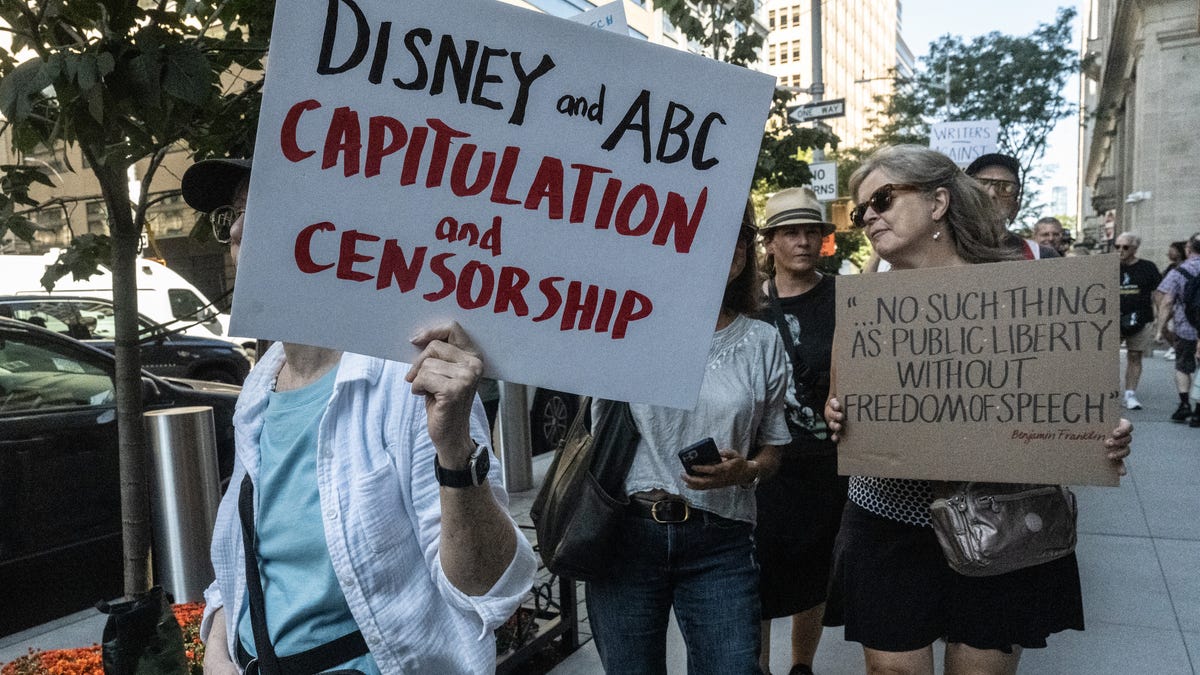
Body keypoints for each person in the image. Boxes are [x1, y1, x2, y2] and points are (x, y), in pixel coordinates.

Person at [182, 158, 538, 674]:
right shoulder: (261, 388)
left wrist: (455, 450)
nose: (237, 230)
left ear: (327, 232)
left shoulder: (407, 380)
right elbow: (247, 562)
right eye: (232, 215)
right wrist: (220, 643)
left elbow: (488, 590)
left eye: (262, 209)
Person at [822, 145, 1134, 675]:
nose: (869, 216)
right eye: (860, 211)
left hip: (999, 515)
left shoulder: (1020, 291)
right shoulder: (865, 303)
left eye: (882, 199)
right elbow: (841, 400)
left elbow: (1066, 395)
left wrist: (1100, 434)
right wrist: (838, 416)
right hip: (888, 514)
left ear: (939, 201)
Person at [585, 206, 791, 675]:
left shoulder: (761, 341)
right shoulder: (621, 321)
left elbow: (774, 448)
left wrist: (748, 470)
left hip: (721, 541)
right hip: (625, 537)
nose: (730, 245)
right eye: (709, 229)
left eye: (740, 234)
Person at [753, 188, 848, 675]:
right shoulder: (747, 302)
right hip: (764, 466)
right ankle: (762, 669)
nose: (804, 241)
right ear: (769, 242)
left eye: (813, 231)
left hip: (826, 464)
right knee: (760, 576)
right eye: (791, 231)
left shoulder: (845, 296)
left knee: (813, 576)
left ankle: (801, 667)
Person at [964, 153, 1059, 260]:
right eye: (981, 184)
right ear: (965, 199)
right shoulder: (945, 250)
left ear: (1015, 208)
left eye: (1005, 187)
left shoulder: (1041, 256)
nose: (992, 193)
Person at [1155, 233, 1200, 426]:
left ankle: (1184, 404)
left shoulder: (1179, 271)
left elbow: (1167, 301)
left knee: (1183, 366)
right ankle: (1199, 410)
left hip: (1186, 328)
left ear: (1188, 249)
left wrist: (1160, 327)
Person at [1116, 232, 1162, 410]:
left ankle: (1130, 394)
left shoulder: (1147, 267)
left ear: (1135, 248)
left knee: (1135, 355)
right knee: (1108, 358)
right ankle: (1109, 393)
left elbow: (1158, 294)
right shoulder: (1109, 266)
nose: (1121, 250)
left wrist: (1159, 321)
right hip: (1114, 319)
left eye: (1125, 247)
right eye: (1117, 246)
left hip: (1141, 318)